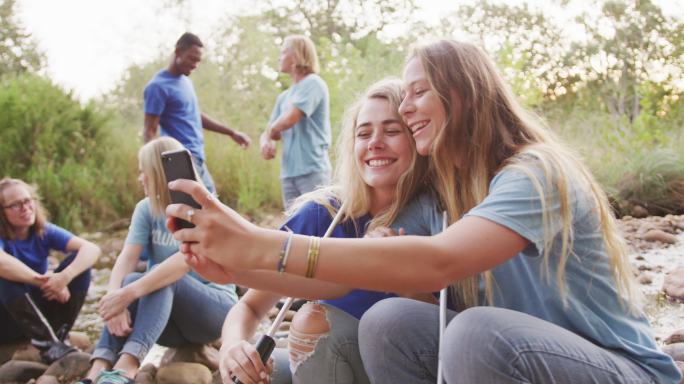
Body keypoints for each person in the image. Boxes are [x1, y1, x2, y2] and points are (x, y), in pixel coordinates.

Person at [166, 39, 682, 384]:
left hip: (619, 370)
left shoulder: (534, 172)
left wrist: (260, 242)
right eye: (400, 100)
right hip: (525, 366)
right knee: (389, 319)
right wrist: (237, 267)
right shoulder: (444, 199)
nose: (407, 108)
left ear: (464, 93)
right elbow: (346, 280)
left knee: (474, 330)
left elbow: (438, 263)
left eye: (418, 93)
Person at [208, 79, 430, 384]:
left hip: (402, 369)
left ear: (417, 139)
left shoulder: (438, 218)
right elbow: (249, 305)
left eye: (392, 131)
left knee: (315, 322)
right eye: (363, 133)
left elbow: (448, 327)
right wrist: (232, 348)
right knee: (256, 377)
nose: (374, 143)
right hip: (328, 368)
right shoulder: (324, 213)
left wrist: (401, 279)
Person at [80, 137, 238, 384]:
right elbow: (127, 258)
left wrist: (128, 293)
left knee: (161, 280)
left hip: (213, 314)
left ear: (158, 172)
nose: (140, 178)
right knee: (133, 278)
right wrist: (114, 300)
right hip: (168, 324)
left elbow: (183, 262)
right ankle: (96, 371)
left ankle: (127, 367)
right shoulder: (146, 209)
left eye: (144, 172)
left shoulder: (204, 209)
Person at [0, 178, 100, 363]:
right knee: (5, 277)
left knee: (78, 265)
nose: (25, 207)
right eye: (15, 205)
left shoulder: (42, 231)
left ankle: (58, 338)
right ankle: (48, 346)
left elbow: (92, 249)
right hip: (5, 321)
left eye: (28, 200)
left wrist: (64, 276)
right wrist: (45, 281)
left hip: (37, 316)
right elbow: (2, 263)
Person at [143, 32, 251, 194]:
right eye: (192, 59)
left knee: (204, 210)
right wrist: (151, 168)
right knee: (207, 209)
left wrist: (231, 132)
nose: (195, 65)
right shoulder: (158, 86)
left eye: (198, 61)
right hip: (179, 159)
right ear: (178, 52)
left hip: (196, 157)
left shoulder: (185, 82)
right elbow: (149, 130)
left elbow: (194, 115)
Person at [260, 35, 332, 209]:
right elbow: (270, 129)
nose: (279, 57)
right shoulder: (283, 97)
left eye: (284, 52)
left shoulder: (314, 83)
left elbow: (291, 118)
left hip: (312, 170)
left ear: (297, 55)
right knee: (295, 225)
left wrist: (271, 132)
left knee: (318, 225)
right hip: (288, 173)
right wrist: (265, 142)